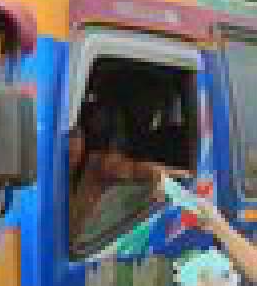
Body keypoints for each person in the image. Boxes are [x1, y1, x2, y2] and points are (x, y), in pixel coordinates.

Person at [68, 101, 189, 242]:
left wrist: (182, 178)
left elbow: (137, 171)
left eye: (75, 135)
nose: (69, 143)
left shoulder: (102, 166)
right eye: (70, 135)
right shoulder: (55, 172)